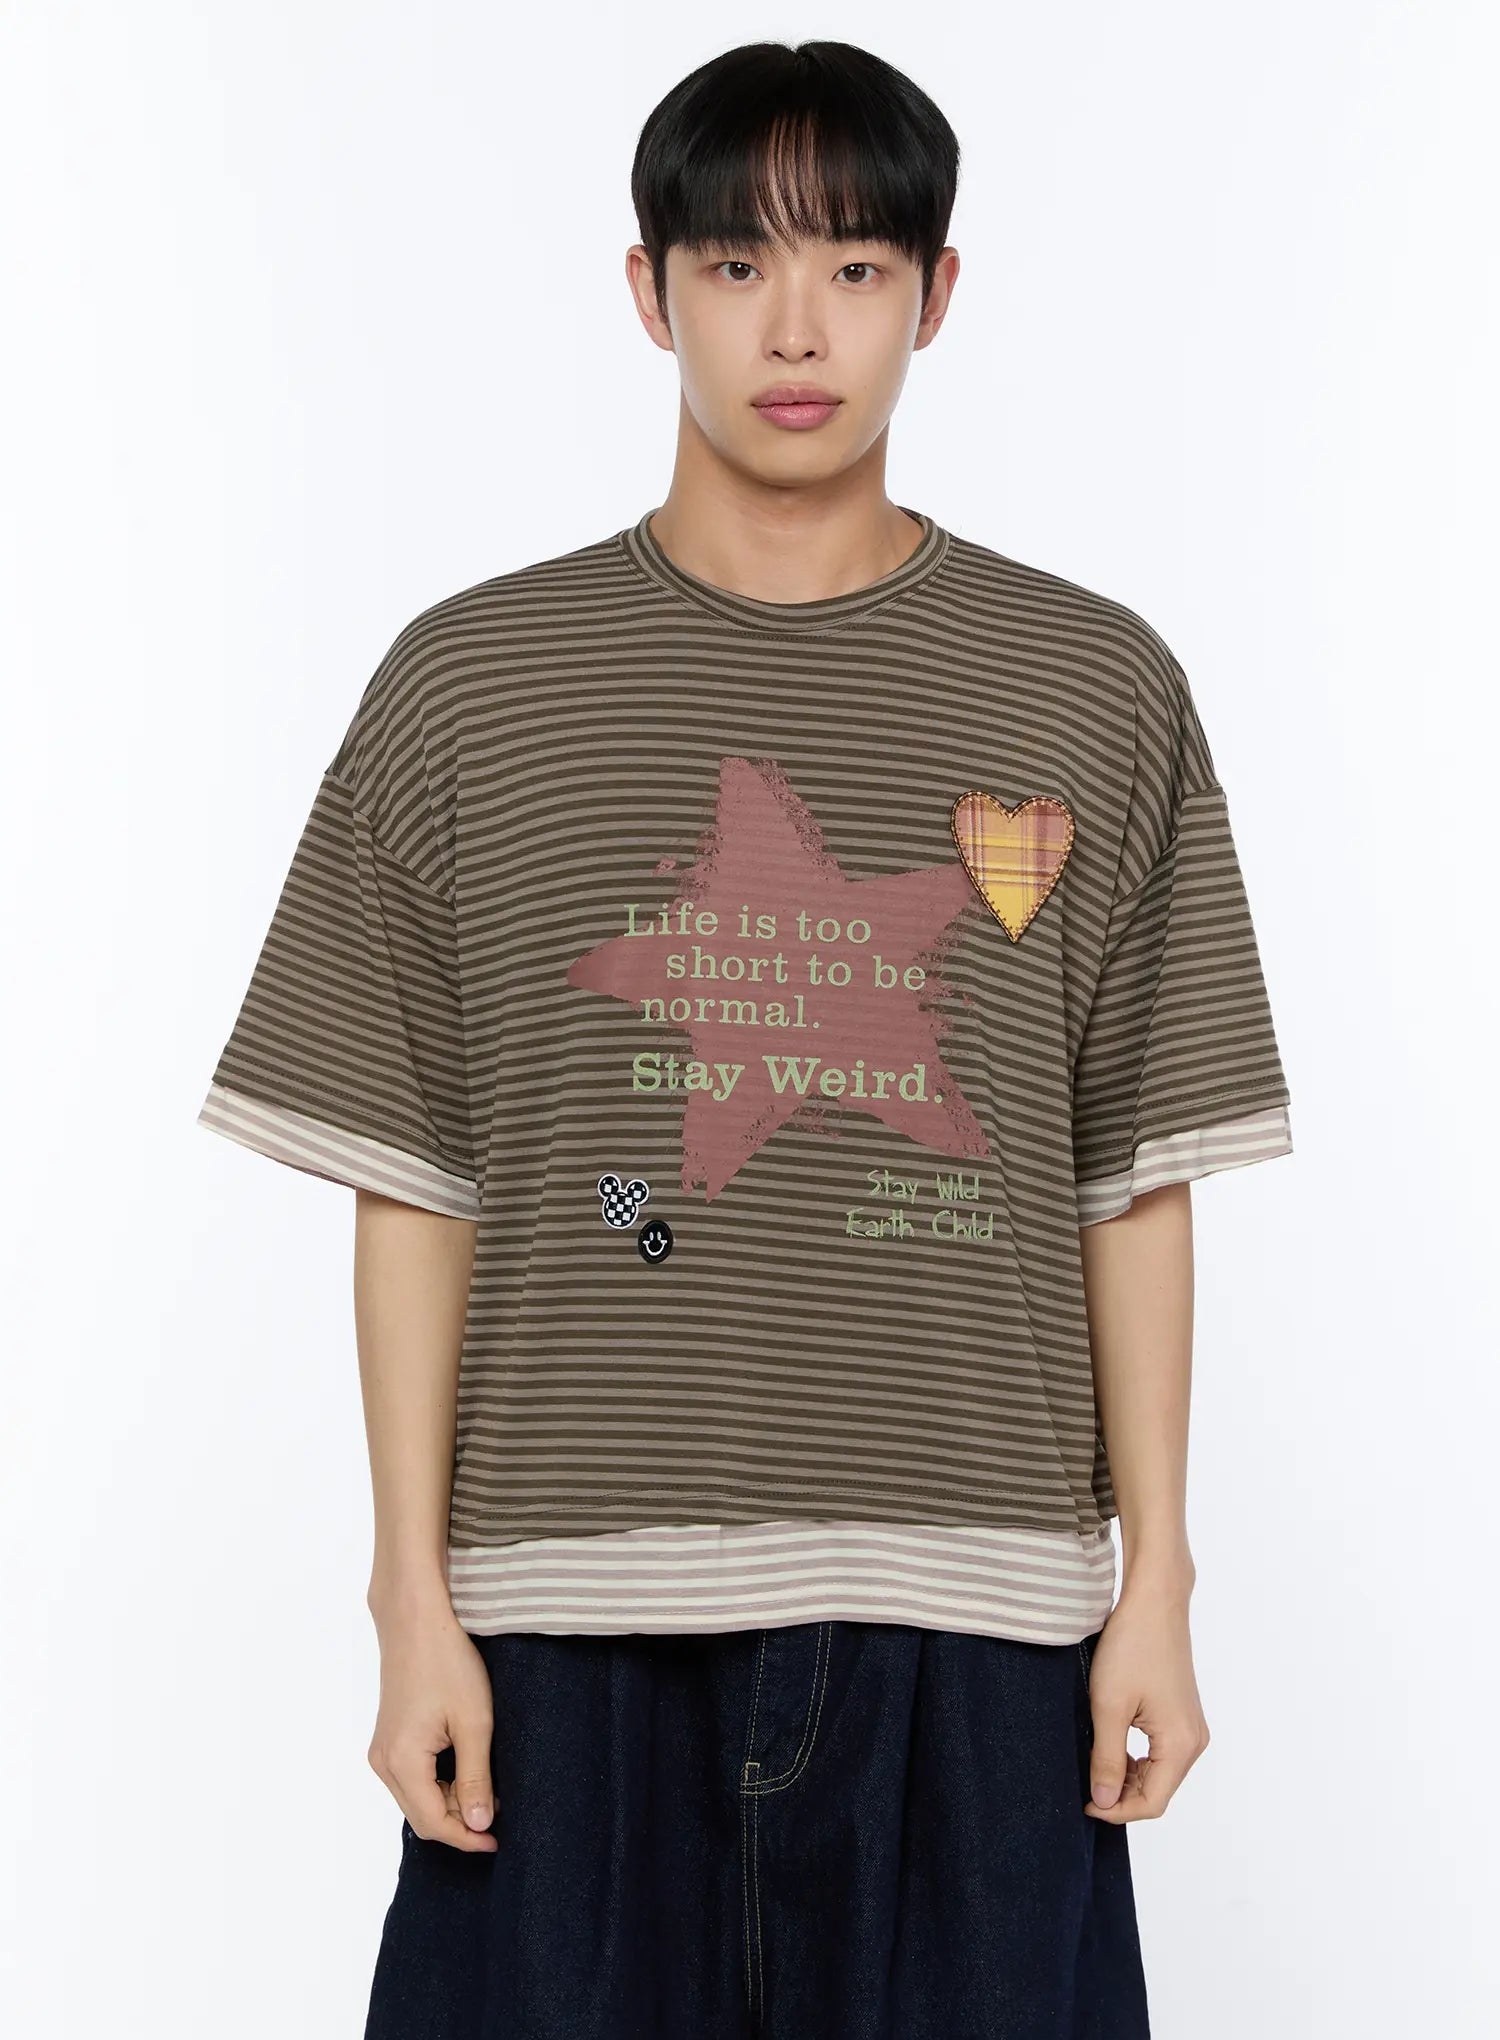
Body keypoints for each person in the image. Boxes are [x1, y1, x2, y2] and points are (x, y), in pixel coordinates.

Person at [196, 37, 1292, 2039]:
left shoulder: (1094, 685)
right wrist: (409, 1597)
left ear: (937, 294)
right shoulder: (473, 688)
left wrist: (1160, 1585)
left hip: (980, 1624)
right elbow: (418, 1183)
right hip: (567, 1625)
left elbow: (1129, 1177)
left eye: (857, 267)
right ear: (651, 290)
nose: (798, 329)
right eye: (737, 264)